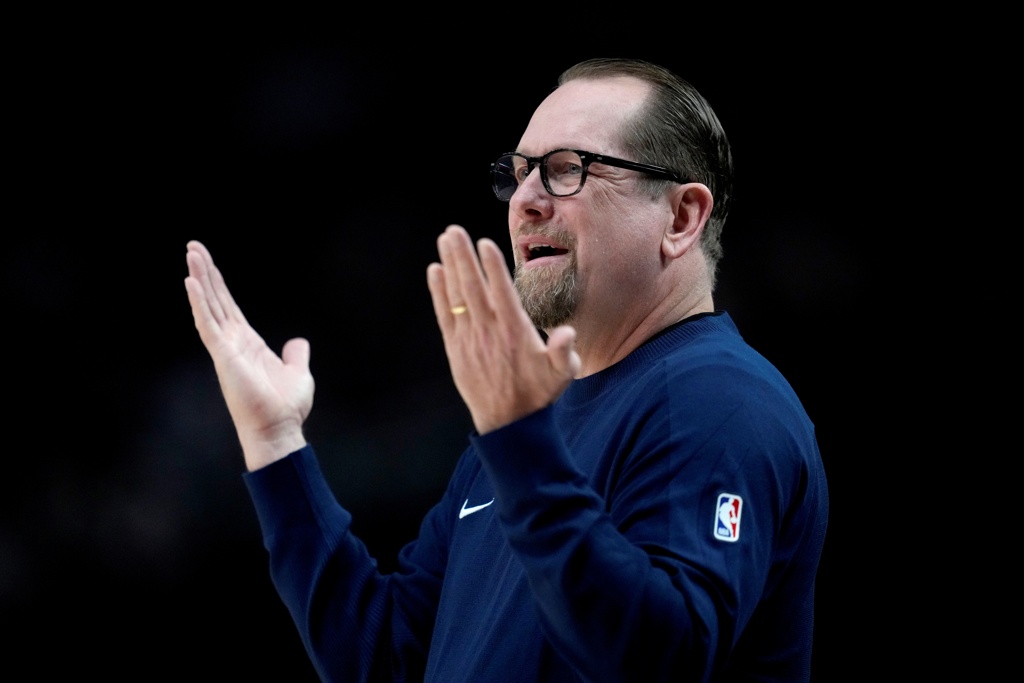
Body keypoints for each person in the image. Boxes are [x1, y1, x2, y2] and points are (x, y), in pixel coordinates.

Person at [184, 57, 828, 682]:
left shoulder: (718, 399)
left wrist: (519, 443)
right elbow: (387, 658)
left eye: (568, 169)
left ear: (681, 217)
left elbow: (659, 657)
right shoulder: (530, 424)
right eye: (518, 174)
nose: (524, 200)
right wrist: (276, 446)